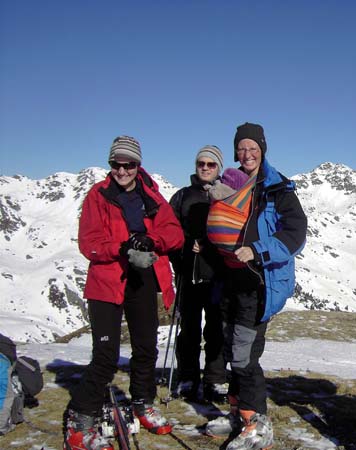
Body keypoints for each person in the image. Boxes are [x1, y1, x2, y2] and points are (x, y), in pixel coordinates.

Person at [65, 136, 184, 450]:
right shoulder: (98, 195)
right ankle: (80, 419)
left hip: (142, 278)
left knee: (146, 347)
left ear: (138, 166)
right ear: (110, 165)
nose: (122, 170)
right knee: (105, 356)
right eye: (116, 164)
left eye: (128, 164)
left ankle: (142, 402)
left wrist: (150, 240)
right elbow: (88, 243)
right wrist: (120, 247)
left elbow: (174, 234)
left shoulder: (151, 196)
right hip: (107, 281)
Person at [204, 123, 307, 450]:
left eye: (253, 147)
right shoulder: (231, 184)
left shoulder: (277, 189)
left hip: (258, 284)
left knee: (244, 355)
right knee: (229, 346)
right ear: (236, 152)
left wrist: (260, 249)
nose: (247, 154)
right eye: (242, 148)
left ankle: (258, 423)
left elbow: (295, 232)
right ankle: (238, 414)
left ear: (262, 149)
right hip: (229, 282)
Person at [168, 145, 229, 402]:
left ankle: (215, 380)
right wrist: (184, 250)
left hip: (218, 275)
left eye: (210, 164)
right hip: (188, 273)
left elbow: (234, 234)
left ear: (218, 168)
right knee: (189, 330)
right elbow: (168, 235)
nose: (205, 168)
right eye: (201, 164)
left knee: (216, 330)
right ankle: (188, 377)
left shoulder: (226, 197)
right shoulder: (182, 197)